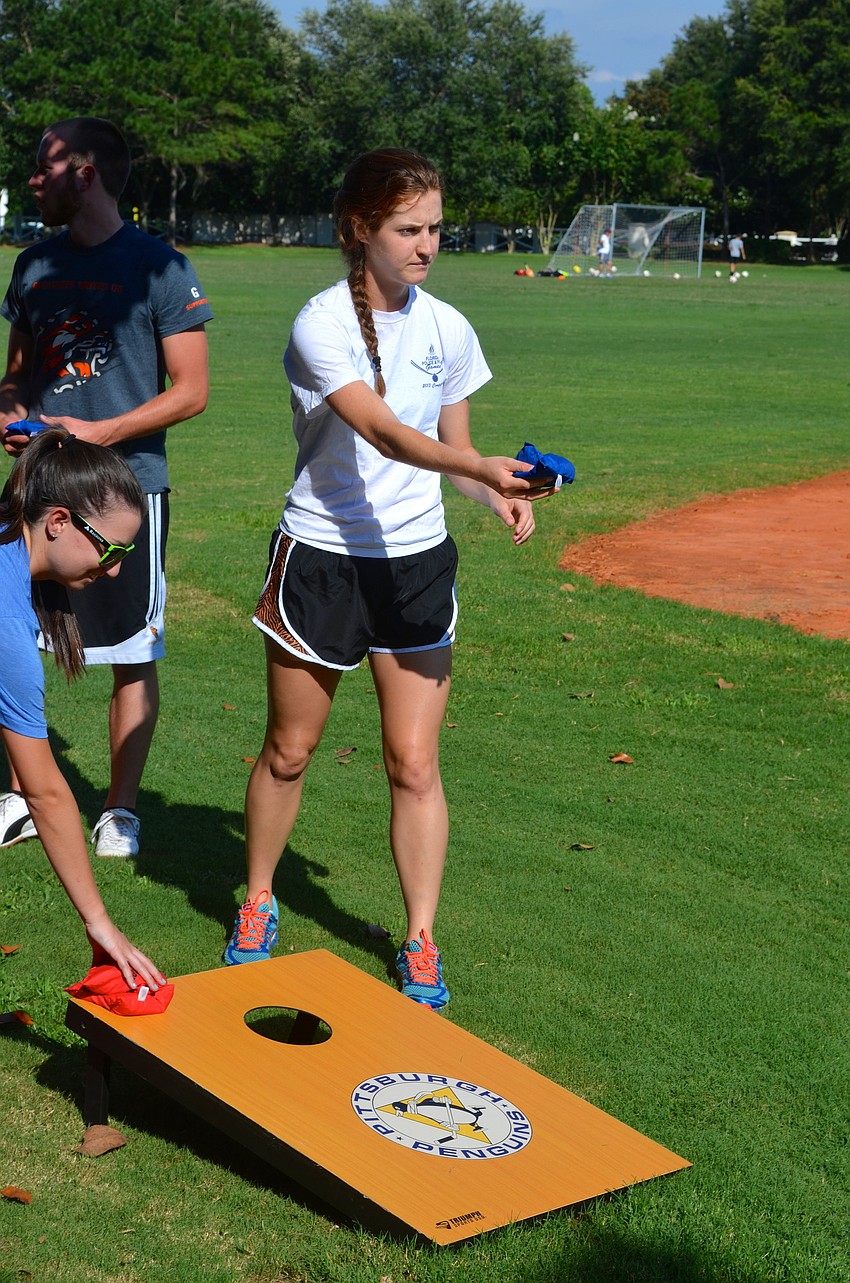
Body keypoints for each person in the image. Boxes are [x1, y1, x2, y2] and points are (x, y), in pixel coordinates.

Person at [223, 148, 555, 1010]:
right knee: (290, 750)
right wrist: (475, 461)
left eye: (436, 227)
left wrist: (495, 490)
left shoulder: (448, 327)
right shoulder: (320, 323)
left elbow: (448, 454)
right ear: (359, 230)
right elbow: (384, 434)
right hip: (323, 556)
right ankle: (259, 898)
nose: (427, 245)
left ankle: (419, 938)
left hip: (414, 564)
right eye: (409, 229)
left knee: (413, 763)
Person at [0, 116, 213, 857]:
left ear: (85, 172)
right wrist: (11, 411)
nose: (34, 178)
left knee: (131, 651)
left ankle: (119, 809)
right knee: (7, 631)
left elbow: (190, 391)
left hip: (125, 490)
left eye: (44, 165)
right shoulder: (32, 267)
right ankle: (18, 794)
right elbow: (19, 375)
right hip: (37, 488)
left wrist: (98, 433)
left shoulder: (161, 268)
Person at [0, 426, 164, 991]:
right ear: (59, 522)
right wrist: (101, 926)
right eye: (110, 549)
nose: (115, 569)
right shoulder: (6, 618)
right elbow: (44, 792)